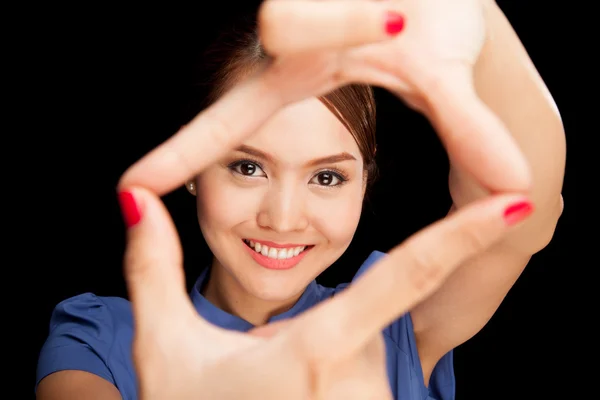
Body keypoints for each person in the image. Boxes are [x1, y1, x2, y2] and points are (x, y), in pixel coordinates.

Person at [36, 0, 565, 399]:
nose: (283, 220)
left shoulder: (395, 326)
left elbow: (523, 211)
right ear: (193, 164)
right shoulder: (97, 341)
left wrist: (472, 16)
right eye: (248, 167)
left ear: (366, 179)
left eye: (327, 178)